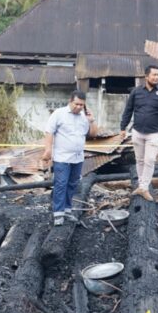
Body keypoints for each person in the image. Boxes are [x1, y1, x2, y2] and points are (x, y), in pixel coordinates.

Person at [41, 90, 98, 226]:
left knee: (72, 184)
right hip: (62, 157)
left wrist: (92, 120)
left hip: (78, 158)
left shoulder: (84, 117)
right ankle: (58, 213)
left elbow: (93, 134)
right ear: (70, 101)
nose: (78, 107)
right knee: (61, 183)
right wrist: (48, 150)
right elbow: (49, 132)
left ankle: (67, 210)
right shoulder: (59, 114)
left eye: (81, 105)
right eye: (76, 104)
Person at [120, 65, 158, 201]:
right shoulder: (136, 92)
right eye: (154, 75)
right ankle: (141, 186)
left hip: (154, 133)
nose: (156, 77)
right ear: (146, 76)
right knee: (140, 160)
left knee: (149, 160)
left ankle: (144, 187)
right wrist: (123, 127)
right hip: (137, 132)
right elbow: (128, 110)